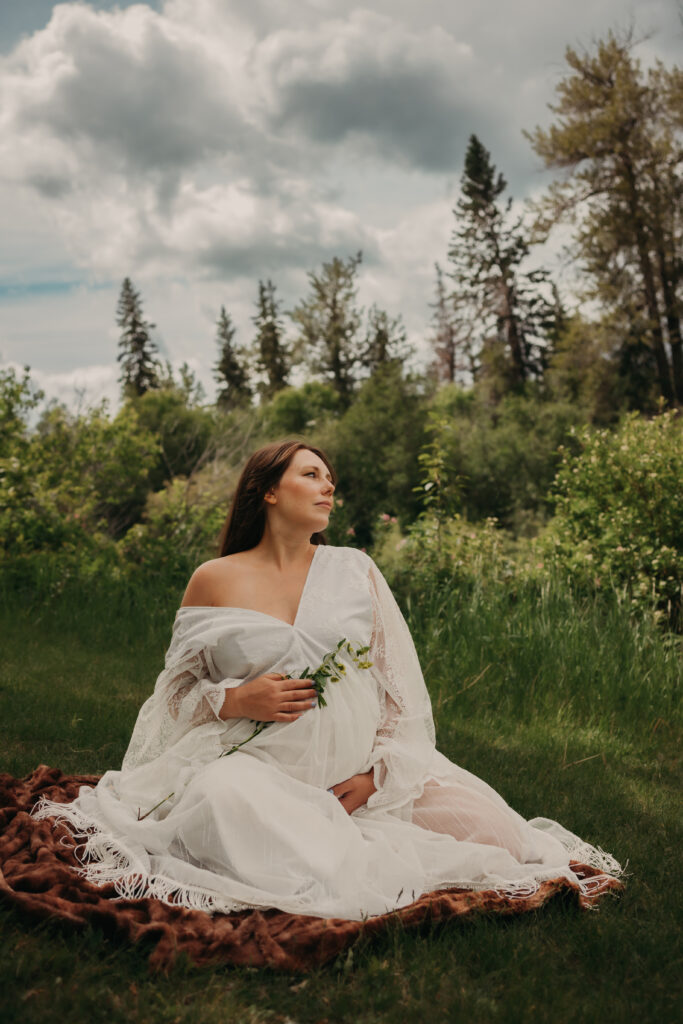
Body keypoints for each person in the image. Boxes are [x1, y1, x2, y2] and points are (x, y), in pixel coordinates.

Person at [33, 440, 623, 920]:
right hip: (259, 769)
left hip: (359, 779)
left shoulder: (354, 569)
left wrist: (378, 774)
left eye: (330, 478)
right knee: (223, 798)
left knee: (504, 840)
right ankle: (318, 857)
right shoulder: (214, 579)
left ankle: (329, 845)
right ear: (267, 490)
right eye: (312, 474)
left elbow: (401, 693)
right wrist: (236, 697)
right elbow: (175, 695)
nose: (328, 486)